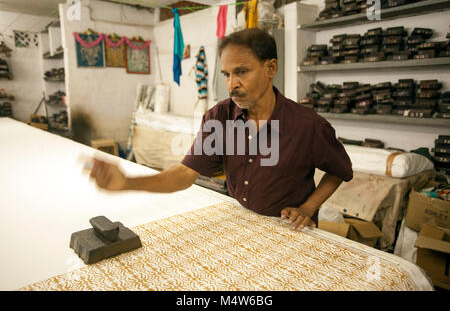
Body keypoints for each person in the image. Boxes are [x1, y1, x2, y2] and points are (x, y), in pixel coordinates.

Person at [89, 28, 353, 231]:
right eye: (226, 74)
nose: (232, 84)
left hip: (289, 230)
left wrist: (308, 207)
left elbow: (339, 170)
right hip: (241, 221)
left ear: (270, 68)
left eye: (241, 72)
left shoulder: (307, 125)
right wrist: (127, 182)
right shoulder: (218, 118)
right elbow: (183, 174)